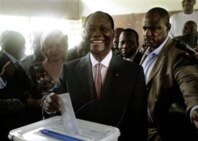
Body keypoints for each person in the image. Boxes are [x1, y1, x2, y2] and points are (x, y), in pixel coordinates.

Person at [42, 11, 147, 141]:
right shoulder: (69, 69)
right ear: (83, 33)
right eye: (91, 29)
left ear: (113, 35)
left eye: (103, 29)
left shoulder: (133, 72)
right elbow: (53, 101)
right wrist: (48, 104)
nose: (97, 33)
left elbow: (139, 123)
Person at [141, 7, 198, 141]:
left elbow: (190, 81)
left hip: (163, 134)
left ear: (168, 28)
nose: (147, 33)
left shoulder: (178, 53)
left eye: (154, 28)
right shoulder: (146, 52)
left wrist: (196, 108)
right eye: (145, 28)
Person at [28, 30, 68, 122]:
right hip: (45, 121)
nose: (54, 50)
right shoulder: (35, 69)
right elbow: (29, 100)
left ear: (64, 46)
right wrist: (45, 102)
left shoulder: (72, 66)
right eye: (49, 46)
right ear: (44, 49)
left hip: (72, 119)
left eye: (58, 45)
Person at [0, 31, 30, 141]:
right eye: (23, 45)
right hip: (7, 121)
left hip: (19, 120)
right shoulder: (2, 62)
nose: (25, 48)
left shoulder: (17, 64)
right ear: (16, 47)